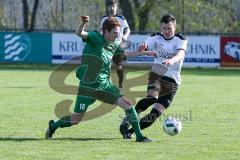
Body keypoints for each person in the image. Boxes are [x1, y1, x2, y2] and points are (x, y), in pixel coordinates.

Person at [45, 15, 155, 142]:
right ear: (106, 31)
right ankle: (53, 126)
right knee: (75, 120)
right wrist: (83, 23)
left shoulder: (113, 45)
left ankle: (140, 137)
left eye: (118, 33)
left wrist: (141, 53)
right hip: (87, 87)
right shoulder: (94, 37)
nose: (117, 35)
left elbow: (124, 55)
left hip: (104, 86)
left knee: (128, 105)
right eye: (114, 33)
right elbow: (79, 33)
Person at [119, 14, 188, 139]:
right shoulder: (156, 37)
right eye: (164, 28)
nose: (167, 31)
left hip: (173, 81)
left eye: (170, 28)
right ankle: (129, 117)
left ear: (175, 27)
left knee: (155, 114)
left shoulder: (181, 39)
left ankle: (129, 132)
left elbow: (180, 54)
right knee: (152, 98)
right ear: (161, 27)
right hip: (157, 73)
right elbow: (145, 45)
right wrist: (142, 47)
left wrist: (172, 60)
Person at [100, 0, 131, 89]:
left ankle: (120, 81)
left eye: (113, 6)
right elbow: (100, 30)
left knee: (118, 67)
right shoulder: (104, 19)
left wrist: (125, 36)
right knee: (106, 64)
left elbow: (128, 29)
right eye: (110, 6)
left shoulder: (121, 18)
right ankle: (106, 83)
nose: (111, 8)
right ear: (107, 8)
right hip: (107, 45)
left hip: (118, 45)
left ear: (117, 8)